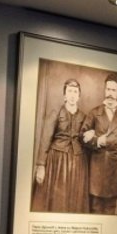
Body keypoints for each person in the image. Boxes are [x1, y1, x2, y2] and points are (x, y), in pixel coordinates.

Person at [31, 79, 89, 213]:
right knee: (58, 199)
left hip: (77, 162)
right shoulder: (55, 113)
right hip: (57, 161)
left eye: (75, 92)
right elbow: (45, 140)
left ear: (79, 96)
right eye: (69, 91)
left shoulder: (84, 117)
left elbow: (86, 140)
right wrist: (41, 166)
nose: (72, 95)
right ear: (64, 95)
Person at [80, 74, 117, 214]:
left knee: (110, 208)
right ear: (104, 90)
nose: (110, 93)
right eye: (108, 89)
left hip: (115, 167)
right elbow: (82, 136)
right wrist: (97, 141)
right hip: (97, 167)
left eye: (113, 90)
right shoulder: (94, 113)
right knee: (96, 206)